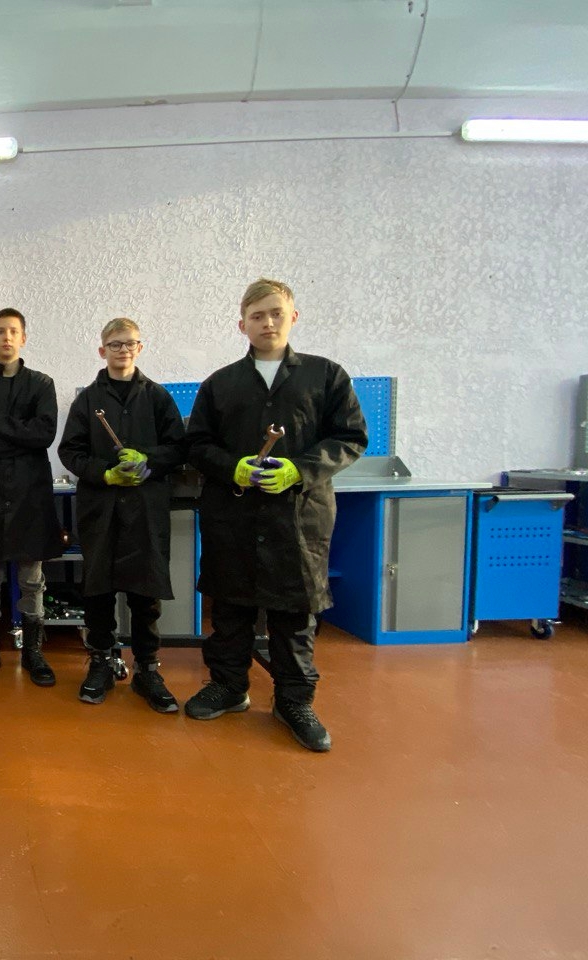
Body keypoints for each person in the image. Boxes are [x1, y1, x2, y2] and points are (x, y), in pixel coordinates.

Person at [182, 278, 367, 752]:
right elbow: (197, 445)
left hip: (298, 519)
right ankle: (229, 687)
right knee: (230, 609)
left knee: (294, 615)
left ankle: (294, 701)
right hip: (233, 517)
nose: (267, 323)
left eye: (276, 313)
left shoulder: (326, 376)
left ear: (293, 317)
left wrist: (298, 470)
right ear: (241, 324)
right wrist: (233, 467)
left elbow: (350, 438)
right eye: (257, 315)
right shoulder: (220, 384)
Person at [56, 317, 186, 712]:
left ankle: (147, 669)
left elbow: (180, 448)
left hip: (145, 510)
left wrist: (149, 459)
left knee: (146, 595)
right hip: (102, 509)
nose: (123, 349)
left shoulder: (158, 397)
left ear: (140, 348)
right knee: (98, 591)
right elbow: (70, 451)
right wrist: (105, 473)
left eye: (130, 343)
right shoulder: (87, 401)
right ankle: (100, 662)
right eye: (115, 344)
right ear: (102, 351)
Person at [0, 308, 64, 687]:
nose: (7, 337)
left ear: (23, 338)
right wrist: (19, 438)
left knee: (32, 579)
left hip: (30, 498)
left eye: (13, 331)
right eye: (0, 331)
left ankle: (34, 652)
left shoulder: (42, 384)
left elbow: (44, 435)